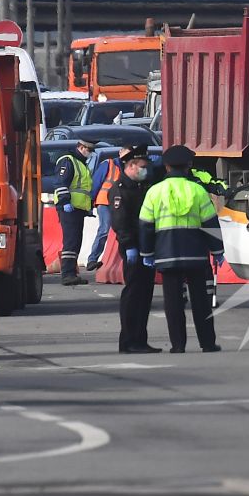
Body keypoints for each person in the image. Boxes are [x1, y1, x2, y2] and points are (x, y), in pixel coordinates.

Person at [139, 145, 221, 353]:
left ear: (166, 167)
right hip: (195, 254)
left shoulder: (154, 192)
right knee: (201, 301)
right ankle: (208, 343)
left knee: (173, 303)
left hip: (167, 255)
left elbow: (146, 226)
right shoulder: (198, 190)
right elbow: (211, 224)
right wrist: (217, 251)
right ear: (188, 166)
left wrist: (147, 253)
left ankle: (178, 345)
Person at [110, 149, 160, 354]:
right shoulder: (120, 189)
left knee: (145, 294)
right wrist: (129, 245)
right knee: (133, 294)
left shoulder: (142, 186)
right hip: (133, 246)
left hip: (146, 246)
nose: (145, 170)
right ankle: (129, 340)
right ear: (130, 166)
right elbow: (120, 221)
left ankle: (140, 339)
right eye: (142, 167)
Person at [53, 138, 96, 285]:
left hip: (78, 209)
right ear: (80, 147)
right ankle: (67, 274)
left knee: (76, 241)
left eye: (91, 150)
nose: (89, 153)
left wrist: (88, 207)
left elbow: (84, 189)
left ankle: (71, 273)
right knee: (71, 241)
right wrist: (65, 201)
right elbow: (60, 183)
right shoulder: (68, 161)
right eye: (88, 149)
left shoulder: (81, 164)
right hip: (69, 208)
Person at [85, 152, 116, 271]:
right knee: (104, 229)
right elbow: (96, 183)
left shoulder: (130, 167)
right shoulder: (109, 164)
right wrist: (90, 202)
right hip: (104, 202)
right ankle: (92, 259)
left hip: (118, 203)